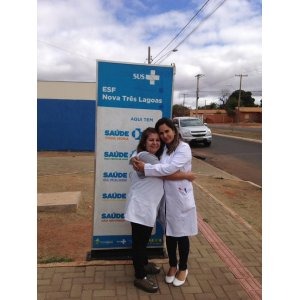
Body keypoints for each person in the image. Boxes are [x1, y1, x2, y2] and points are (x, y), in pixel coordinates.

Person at [124, 127, 196, 293]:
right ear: (144, 142)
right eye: (151, 140)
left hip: (148, 207)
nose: (156, 142)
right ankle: (140, 277)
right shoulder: (146, 156)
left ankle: (144, 264)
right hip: (140, 207)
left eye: (158, 140)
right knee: (139, 243)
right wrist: (187, 175)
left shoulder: (146, 155)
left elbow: (160, 169)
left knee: (143, 240)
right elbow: (166, 172)